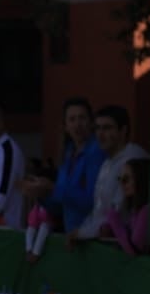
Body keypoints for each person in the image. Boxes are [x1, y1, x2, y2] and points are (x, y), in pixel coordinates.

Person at [24, 96, 104, 236]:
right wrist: (41, 194)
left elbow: (91, 202)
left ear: (91, 122)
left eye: (82, 118)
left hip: (91, 236)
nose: (77, 124)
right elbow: (61, 207)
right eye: (72, 119)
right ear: (66, 126)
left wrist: (53, 188)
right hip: (72, 237)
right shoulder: (68, 153)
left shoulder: (96, 151)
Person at [86, 105, 148, 239]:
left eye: (107, 128)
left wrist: (84, 233)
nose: (100, 134)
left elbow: (119, 210)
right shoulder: (107, 162)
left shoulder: (134, 157)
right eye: (97, 128)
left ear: (123, 130)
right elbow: (99, 209)